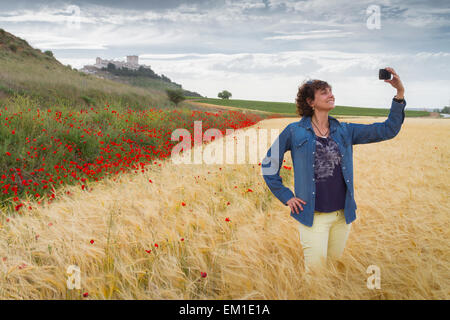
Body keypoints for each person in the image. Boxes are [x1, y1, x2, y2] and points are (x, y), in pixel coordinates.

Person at [261, 67, 406, 274]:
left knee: (330, 273)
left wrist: (399, 95)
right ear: (311, 102)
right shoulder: (294, 131)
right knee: (316, 275)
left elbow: (387, 130)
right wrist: (287, 196)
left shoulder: (345, 130)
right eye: (324, 92)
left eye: (331, 91)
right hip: (313, 217)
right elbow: (268, 164)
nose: (331, 95)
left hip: (341, 216)